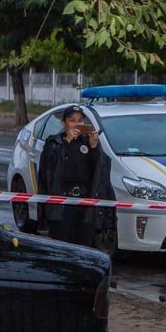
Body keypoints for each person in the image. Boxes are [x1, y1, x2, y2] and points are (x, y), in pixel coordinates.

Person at [37, 105, 115, 248]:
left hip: (85, 204)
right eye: (72, 120)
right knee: (62, 246)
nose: (76, 124)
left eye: (80, 120)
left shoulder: (88, 142)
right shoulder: (54, 143)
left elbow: (100, 172)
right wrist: (67, 141)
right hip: (62, 204)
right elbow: (49, 169)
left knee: (84, 246)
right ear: (64, 123)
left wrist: (94, 148)